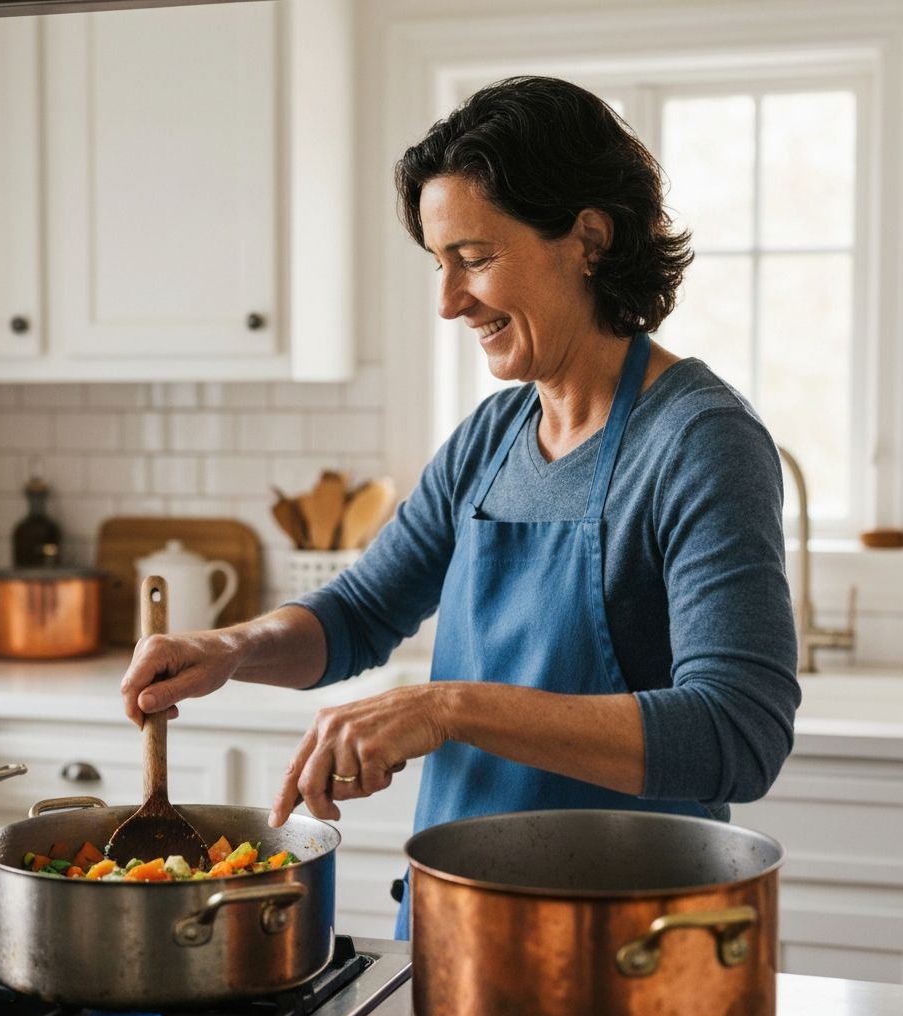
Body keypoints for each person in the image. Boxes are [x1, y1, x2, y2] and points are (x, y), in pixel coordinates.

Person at [120, 75, 800, 940]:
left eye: (474, 259)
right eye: (439, 264)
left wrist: (444, 707)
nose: (448, 301)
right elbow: (361, 614)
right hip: (456, 926)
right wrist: (226, 648)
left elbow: (735, 733)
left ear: (588, 237)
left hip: (622, 944)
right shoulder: (495, 434)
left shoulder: (700, 441)